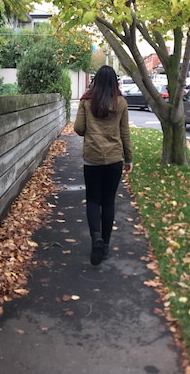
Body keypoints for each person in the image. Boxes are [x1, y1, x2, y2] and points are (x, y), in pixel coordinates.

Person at [74, 65, 133, 265]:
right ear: (115, 81)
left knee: (93, 199)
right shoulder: (121, 102)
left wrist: (91, 131)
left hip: (92, 158)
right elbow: (125, 133)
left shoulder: (86, 101)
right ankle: (105, 246)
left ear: (95, 81)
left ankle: (96, 237)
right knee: (108, 201)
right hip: (114, 159)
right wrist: (129, 159)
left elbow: (79, 128)